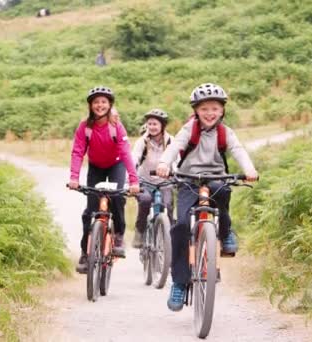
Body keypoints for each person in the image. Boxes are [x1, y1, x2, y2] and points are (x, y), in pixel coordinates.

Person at [156, 83, 258, 311]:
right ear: (196, 111)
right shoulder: (188, 129)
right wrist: (163, 163)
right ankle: (179, 283)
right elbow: (175, 148)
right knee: (181, 226)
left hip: (215, 177)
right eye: (204, 109)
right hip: (188, 179)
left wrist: (249, 169)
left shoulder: (225, 132)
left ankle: (224, 232)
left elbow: (238, 150)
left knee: (224, 191)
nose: (210, 113)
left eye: (215, 108)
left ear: (222, 110)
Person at [68, 86, 140, 272]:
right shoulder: (85, 127)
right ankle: (85, 253)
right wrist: (74, 177)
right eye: (96, 102)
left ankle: (118, 237)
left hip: (116, 164)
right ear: (91, 106)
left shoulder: (116, 125)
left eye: (103, 102)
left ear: (109, 105)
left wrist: (133, 181)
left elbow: (125, 153)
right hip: (96, 167)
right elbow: (77, 152)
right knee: (90, 211)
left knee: (117, 198)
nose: (100, 105)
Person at [131, 109, 175, 248]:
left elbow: (175, 160)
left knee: (168, 206)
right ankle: (140, 232)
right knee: (145, 201)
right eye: (149, 124)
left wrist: (176, 173)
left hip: (165, 181)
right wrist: (131, 177)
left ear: (162, 125)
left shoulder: (171, 141)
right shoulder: (142, 141)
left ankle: (170, 239)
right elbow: (134, 158)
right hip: (145, 180)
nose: (152, 127)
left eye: (155, 124)